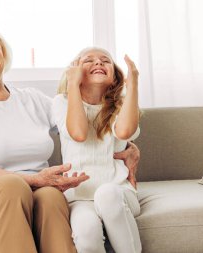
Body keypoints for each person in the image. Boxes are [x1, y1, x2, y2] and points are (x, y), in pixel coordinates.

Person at [0, 17, 140, 253]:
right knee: (13, 187)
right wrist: (35, 180)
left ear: (2, 49)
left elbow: (86, 126)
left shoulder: (33, 100)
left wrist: (130, 148)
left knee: (52, 197)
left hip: (31, 190)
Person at [52, 47, 142, 253]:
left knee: (106, 193)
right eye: (88, 60)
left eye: (105, 61)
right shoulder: (61, 102)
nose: (99, 63)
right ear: (75, 71)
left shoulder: (121, 105)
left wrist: (133, 84)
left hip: (119, 192)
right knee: (86, 232)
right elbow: (79, 133)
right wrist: (73, 85)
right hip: (80, 198)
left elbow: (125, 131)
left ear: (114, 77)